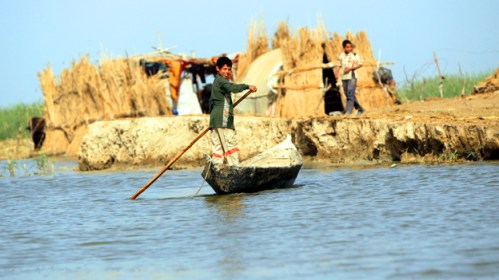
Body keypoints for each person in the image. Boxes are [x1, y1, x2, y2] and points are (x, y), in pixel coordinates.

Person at [209, 56, 257, 166]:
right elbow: (233, 88)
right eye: (224, 69)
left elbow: (211, 102)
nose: (227, 72)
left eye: (229, 69)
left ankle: (217, 167)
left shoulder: (217, 82)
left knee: (218, 148)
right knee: (230, 146)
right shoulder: (221, 81)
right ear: (218, 69)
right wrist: (247, 86)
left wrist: (213, 120)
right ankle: (234, 168)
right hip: (223, 119)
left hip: (216, 120)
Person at [335, 39, 365, 115]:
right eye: (347, 47)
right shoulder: (341, 55)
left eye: (350, 47)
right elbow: (338, 64)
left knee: (350, 93)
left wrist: (350, 68)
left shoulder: (354, 55)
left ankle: (348, 112)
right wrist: (337, 73)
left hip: (352, 76)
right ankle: (360, 109)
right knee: (347, 93)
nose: (349, 49)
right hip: (344, 77)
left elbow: (360, 64)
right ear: (344, 47)